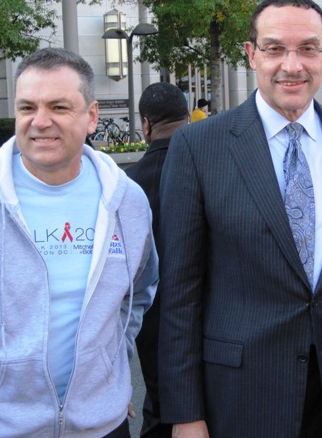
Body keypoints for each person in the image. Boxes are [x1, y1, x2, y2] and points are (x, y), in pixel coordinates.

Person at [158, 0, 322, 438]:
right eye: (275, 48)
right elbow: (179, 293)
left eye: (306, 49)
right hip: (241, 397)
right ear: (251, 54)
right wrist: (185, 413)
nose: (292, 65)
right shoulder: (198, 148)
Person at [0, 47, 159, 438]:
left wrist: (106, 376)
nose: (40, 121)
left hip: (104, 428)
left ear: (92, 116)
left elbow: (139, 294)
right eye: (27, 107)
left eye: (59, 107)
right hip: (2, 429)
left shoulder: (127, 202)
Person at [125, 82, 190, 438]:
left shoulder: (129, 184)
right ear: (188, 117)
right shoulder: (214, 165)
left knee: (161, 407)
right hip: (214, 314)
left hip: (153, 318)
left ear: (146, 125)